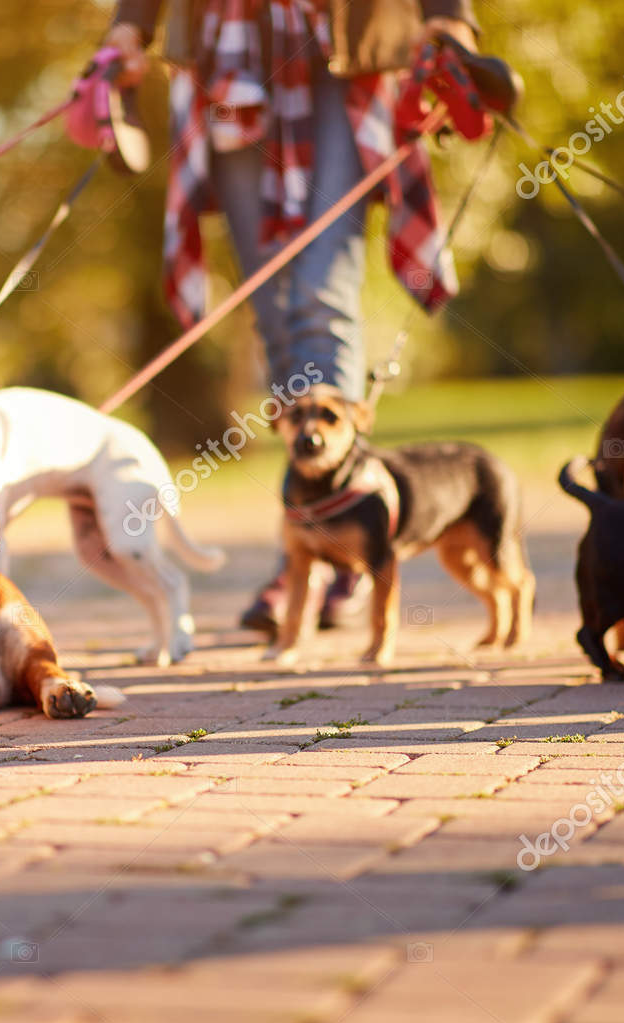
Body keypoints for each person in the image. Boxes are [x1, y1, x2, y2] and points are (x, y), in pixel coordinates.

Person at [100, 0, 477, 636]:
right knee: (273, 309)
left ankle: (346, 535)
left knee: (319, 296)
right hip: (226, 50)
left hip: (344, 44)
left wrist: (448, 14)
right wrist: (131, 27)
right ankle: (310, 546)